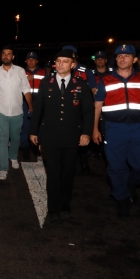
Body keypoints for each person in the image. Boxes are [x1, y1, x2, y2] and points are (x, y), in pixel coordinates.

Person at [92, 44, 140, 219]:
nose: (122, 58)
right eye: (119, 56)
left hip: (139, 129)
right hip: (114, 129)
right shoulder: (106, 80)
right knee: (116, 167)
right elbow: (97, 106)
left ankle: (127, 184)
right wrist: (94, 129)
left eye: (126, 56)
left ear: (134, 60)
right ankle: (121, 198)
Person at [30, 49, 94, 224]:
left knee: (68, 172)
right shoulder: (46, 83)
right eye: (58, 61)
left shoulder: (81, 85)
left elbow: (88, 112)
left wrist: (86, 132)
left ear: (73, 65)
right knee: (53, 172)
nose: (60, 64)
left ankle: (65, 200)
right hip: (50, 136)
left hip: (72, 136)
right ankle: (54, 208)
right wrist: (34, 131)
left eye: (65, 61)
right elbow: (38, 109)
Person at [0, 46, 33, 180]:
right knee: (2, 140)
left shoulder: (20, 71)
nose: (6, 56)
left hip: (17, 112)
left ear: (13, 57)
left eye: (9, 54)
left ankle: (13, 156)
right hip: (0, 112)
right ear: (1, 56)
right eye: (4, 53)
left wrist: (31, 106)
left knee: (15, 138)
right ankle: (3, 168)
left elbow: (26, 89)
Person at [62, 44, 96, 174]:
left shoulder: (85, 70)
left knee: (83, 133)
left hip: (82, 107)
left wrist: (93, 105)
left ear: (75, 55)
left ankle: (84, 161)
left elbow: (93, 88)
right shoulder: (61, 69)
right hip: (67, 107)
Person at [21, 51, 46, 162]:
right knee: (25, 126)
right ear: (26, 61)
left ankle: (36, 147)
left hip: (39, 103)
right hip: (25, 103)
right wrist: (26, 79)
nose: (31, 61)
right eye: (29, 59)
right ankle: (25, 149)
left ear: (37, 61)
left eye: (33, 59)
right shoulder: (21, 72)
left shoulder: (43, 72)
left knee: (39, 126)